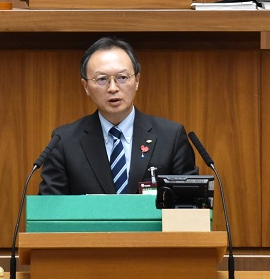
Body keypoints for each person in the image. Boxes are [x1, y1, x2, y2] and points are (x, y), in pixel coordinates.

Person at [39, 36, 197, 195]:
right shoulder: (64, 142)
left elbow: (189, 203)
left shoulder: (171, 137)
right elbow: (49, 207)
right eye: (102, 79)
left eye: (122, 77)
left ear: (137, 80)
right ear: (86, 86)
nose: (113, 88)